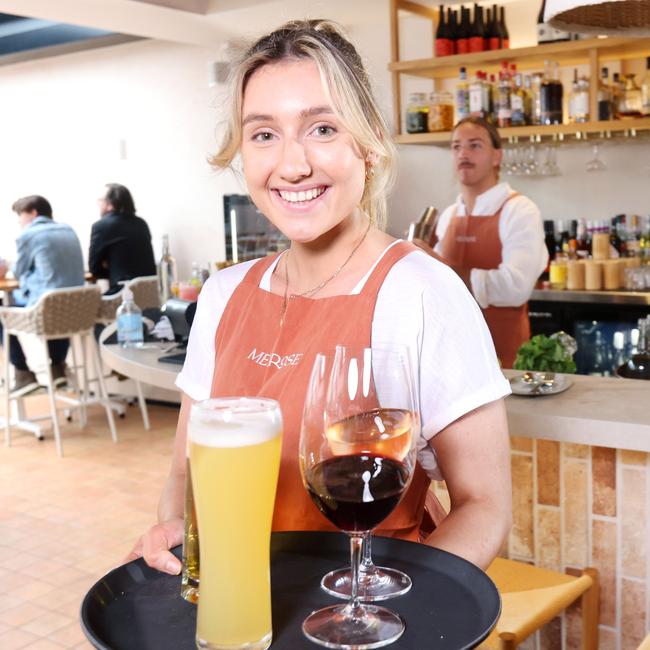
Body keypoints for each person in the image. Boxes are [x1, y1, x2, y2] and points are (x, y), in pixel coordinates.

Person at [128, 19, 512, 573]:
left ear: (370, 142)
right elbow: (184, 475)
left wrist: (408, 618)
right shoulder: (222, 294)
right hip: (241, 610)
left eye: (322, 129)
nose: (292, 164)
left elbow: (485, 504)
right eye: (263, 134)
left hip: (372, 613)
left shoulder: (421, 293)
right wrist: (184, 550)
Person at [418, 117, 547, 368]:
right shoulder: (449, 215)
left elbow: (514, 288)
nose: (463, 153)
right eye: (456, 146)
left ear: (497, 156)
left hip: (505, 360)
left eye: (474, 145)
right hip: (452, 360)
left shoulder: (519, 210)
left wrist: (443, 268)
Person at [0, 195, 85, 396]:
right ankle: (58, 367)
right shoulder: (68, 230)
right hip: (77, 311)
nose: (20, 222)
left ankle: (23, 373)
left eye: (20, 217)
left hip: (46, 312)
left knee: (4, 311)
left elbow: (19, 272)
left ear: (33, 213)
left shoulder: (29, 235)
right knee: (58, 303)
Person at [88, 183, 156, 294]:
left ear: (110, 204)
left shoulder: (101, 226)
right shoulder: (142, 224)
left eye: (100, 201)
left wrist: (113, 271)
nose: (99, 204)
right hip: (148, 294)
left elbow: (94, 269)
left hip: (121, 294)